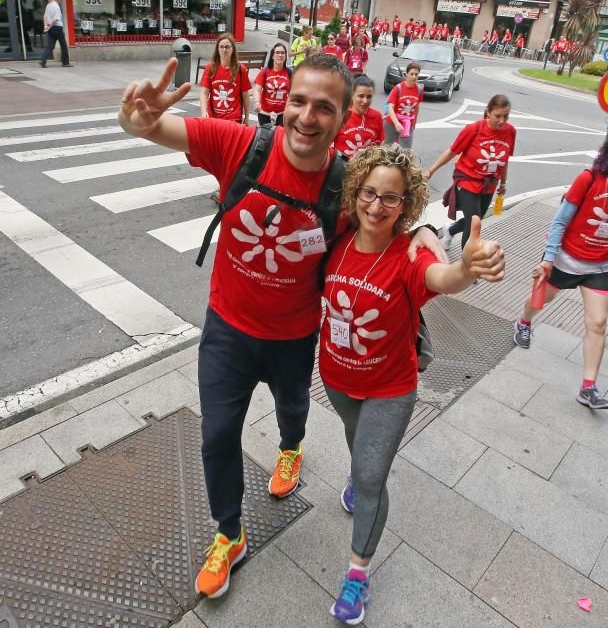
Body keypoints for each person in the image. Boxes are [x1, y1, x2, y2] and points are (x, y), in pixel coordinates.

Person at [117, 53, 443, 600]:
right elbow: (153, 126)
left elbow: (396, 215)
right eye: (298, 100)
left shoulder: (344, 186)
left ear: (342, 120)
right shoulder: (243, 146)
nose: (306, 116)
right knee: (217, 434)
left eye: (323, 107)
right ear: (282, 101)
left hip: (294, 336)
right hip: (227, 328)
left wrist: (430, 230)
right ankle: (229, 533)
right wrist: (137, 119)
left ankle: (291, 446)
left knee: (294, 408)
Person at [322, 144, 505, 625]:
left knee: (371, 477)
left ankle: (357, 575)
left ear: (406, 204)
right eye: (369, 193)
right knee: (357, 448)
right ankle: (358, 474)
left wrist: (467, 267)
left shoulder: (406, 255)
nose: (376, 206)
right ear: (355, 191)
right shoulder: (338, 237)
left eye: (391, 199)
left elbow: (442, 276)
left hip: (390, 387)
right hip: (337, 380)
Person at [513, 123, 608, 410]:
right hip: (567, 258)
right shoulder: (589, 178)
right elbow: (560, 221)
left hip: (602, 267)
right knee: (539, 302)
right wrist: (548, 258)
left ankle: (588, 387)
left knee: (598, 323)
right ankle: (524, 322)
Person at [424, 94, 516, 250]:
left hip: (489, 184)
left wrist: (503, 183)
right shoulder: (474, 129)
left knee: (475, 219)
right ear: (488, 112)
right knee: (475, 223)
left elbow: (504, 159)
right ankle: (466, 266)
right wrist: (431, 170)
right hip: (467, 180)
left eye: (505, 116)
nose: (501, 121)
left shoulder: (510, 131)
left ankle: (450, 230)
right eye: (497, 116)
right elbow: (451, 152)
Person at [199, 34, 251, 123]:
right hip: (214, 118)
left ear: (232, 49)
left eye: (227, 47)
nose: (224, 50)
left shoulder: (240, 70)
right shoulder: (210, 68)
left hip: (233, 119)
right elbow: (204, 93)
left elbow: (245, 96)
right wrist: (204, 112)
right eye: (221, 47)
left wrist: (246, 117)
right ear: (217, 49)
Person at [333, 74, 384, 159]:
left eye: (369, 97)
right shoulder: (341, 115)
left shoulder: (377, 116)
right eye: (361, 96)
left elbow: (379, 144)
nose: (365, 101)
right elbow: (326, 145)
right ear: (352, 95)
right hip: (342, 166)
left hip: (366, 167)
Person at [383, 62, 423, 148]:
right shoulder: (398, 88)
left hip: (408, 124)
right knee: (386, 148)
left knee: (406, 151)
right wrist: (396, 123)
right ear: (406, 74)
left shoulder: (419, 89)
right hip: (392, 123)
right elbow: (390, 108)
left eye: (416, 74)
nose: (414, 77)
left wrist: (414, 123)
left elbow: (417, 107)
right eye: (411, 74)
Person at [252, 43, 290, 126]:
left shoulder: (289, 72)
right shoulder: (265, 71)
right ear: (272, 56)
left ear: (286, 56)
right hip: (265, 113)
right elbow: (257, 89)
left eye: (283, 53)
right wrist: (257, 102)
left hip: (282, 113)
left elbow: (293, 92)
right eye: (277, 52)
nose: (280, 55)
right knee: (266, 137)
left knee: (279, 137)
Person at [39, 0, 71, 68]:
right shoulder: (57, 7)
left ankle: (43, 60)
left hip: (51, 28)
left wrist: (46, 26)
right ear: (59, 0)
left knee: (50, 45)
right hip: (57, 28)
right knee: (64, 45)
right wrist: (49, 27)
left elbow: (45, 16)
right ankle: (65, 63)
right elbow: (56, 19)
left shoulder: (48, 5)